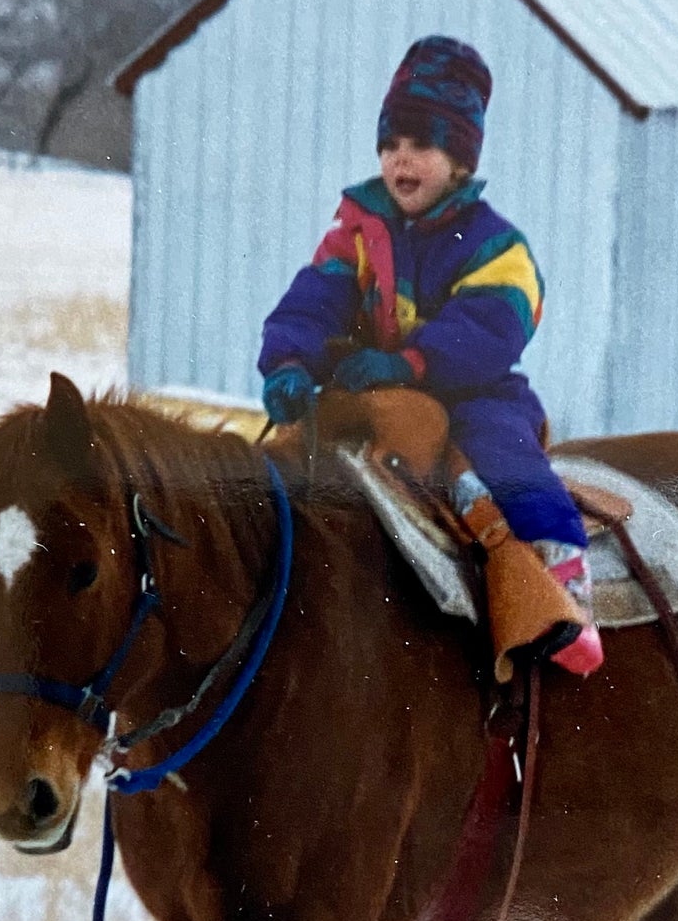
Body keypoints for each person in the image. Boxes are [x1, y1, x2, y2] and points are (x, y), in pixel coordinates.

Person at [257, 35, 603, 676]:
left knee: (499, 452)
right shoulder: (358, 232)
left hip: (469, 387)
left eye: (420, 144)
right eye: (389, 145)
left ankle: (560, 570)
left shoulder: (497, 244)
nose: (399, 160)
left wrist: (413, 363)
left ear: (460, 159)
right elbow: (313, 301)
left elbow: (492, 324)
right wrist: (289, 364)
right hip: (375, 389)